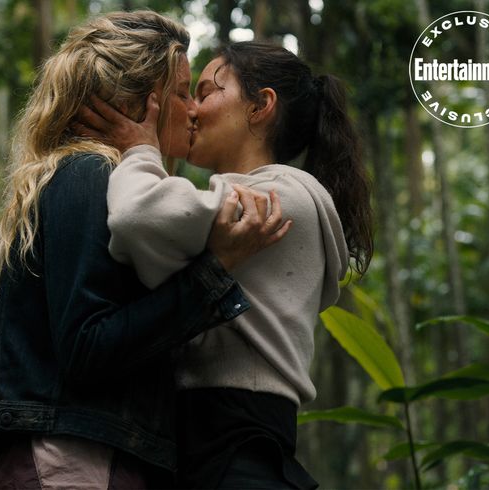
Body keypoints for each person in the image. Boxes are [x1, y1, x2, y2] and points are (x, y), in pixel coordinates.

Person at [0, 13, 290, 489]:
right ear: (141, 104)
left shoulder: (107, 187)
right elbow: (87, 347)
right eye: (182, 93)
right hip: (72, 464)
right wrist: (214, 272)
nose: (194, 110)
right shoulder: (85, 174)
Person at [77, 41, 374, 488]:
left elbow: (139, 216)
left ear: (261, 106)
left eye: (206, 91)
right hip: (213, 444)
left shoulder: (280, 198)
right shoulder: (248, 197)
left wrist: (141, 150)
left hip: (236, 443)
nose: (191, 110)